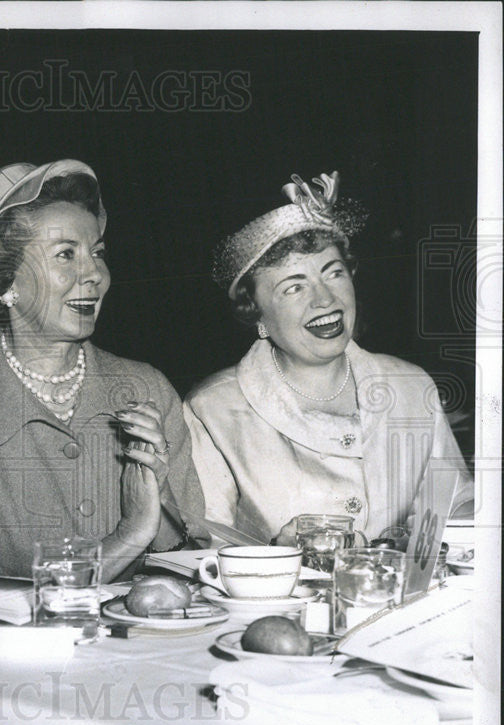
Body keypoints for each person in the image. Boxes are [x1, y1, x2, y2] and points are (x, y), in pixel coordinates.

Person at [0, 160, 207, 582]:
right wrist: (130, 536)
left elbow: (193, 571)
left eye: (97, 252)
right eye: (66, 255)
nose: (94, 273)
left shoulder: (147, 388)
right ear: (4, 282)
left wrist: (160, 496)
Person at [184, 171, 474, 545]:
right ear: (256, 314)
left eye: (333, 273)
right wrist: (280, 556)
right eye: (294, 287)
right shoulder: (212, 409)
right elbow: (205, 548)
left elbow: (454, 508)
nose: (324, 300)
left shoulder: (411, 385)